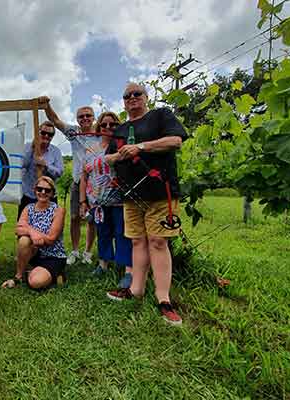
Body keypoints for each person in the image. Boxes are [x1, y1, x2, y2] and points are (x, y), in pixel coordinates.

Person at [105, 83, 188, 326]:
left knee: (158, 241)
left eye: (136, 94)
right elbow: (109, 158)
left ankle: (164, 299)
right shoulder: (120, 129)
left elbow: (175, 141)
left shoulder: (160, 116)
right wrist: (119, 155)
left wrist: (141, 147)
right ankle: (135, 289)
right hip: (131, 195)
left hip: (161, 192)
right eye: (127, 96)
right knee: (138, 241)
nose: (132, 98)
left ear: (146, 97)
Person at [40, 97, 97, 267]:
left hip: (95, 183)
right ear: (77, 119)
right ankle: (74, 251)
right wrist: (46, 105)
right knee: (74, 217)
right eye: (81, 116)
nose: (85, 118)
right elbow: (55, 120)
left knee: (92, 219)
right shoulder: (73, 133)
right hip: (77, 181)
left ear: (93, 117)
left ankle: (87, 252)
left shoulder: (100, 133)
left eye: (88, 115)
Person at [79, 112, 132, 286]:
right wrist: (83, 201)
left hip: (119, 200)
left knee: (123, 234)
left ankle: (127, 269)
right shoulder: (90, 149)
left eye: (113, 124)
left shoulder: (122, 146)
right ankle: (103, 264)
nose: (108, 128)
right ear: (99, 127)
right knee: (103, 233)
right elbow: (84, 175)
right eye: (104, 125)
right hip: (97, 201)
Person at [3, 176, 66, 290]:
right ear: (34, 190)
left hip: (53, 255)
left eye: (47, 190)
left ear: (52, 193)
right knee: (23, 240)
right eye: (39, 189)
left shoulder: (58, 210)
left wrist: (30, 230)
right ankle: (19, 276)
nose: (43, 192)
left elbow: (51, 239)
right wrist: (32, 233)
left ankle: (55, 274)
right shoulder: (28, 208)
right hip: (34, 252)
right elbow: (18, 230)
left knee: (35, 282)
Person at [18, 121, 63, 218]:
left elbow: (59, 172)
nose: (46, 136)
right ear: (37, 133)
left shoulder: (56, 151)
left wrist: (46, 166)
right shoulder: (27, 146)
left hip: (48, 196)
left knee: (48, 228)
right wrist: (33, 148)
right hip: (28, 195)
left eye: (50, 134)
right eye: (43, 133)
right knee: (23, 227)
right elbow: (21, 165)